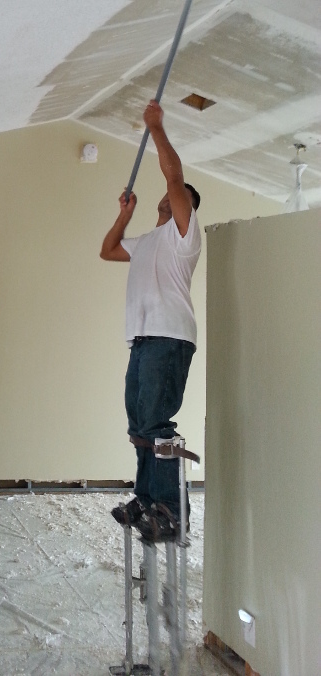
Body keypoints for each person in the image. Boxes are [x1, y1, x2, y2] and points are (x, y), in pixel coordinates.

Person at [100, 100, 201, 541]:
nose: (167, 197)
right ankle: (146, 500)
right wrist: (124, 214)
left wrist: (156, 127)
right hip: (143, 340)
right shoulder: (145, 242)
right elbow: (107, 249)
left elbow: (174, 176)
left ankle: (172, 511)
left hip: (169, 335)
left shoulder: (184, 236)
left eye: (175, 199)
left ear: (186, 209)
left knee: (157, 423)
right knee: (139, 424)